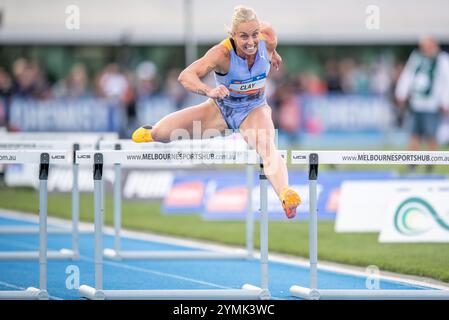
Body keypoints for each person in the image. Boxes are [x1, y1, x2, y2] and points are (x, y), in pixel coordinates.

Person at [132, 6, 301, 218]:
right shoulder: (221, 54)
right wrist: (209, 90)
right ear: (232, 35)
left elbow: (266, 45)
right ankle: (151, 133)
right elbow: (186, 76)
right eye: (243, 37)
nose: (250, 42)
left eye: (254, 35)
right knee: (161, 133)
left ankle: (285, 195)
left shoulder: (268, 37)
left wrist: (273, 53)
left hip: (254, 109)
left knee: (267, 147)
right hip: (220, 109)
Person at [395, 36, 449, 172]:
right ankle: (412, 165)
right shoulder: (416, 58)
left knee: (431, 137)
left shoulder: (442, 60)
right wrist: (401, 93)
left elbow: (447, 81)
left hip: (432, 106)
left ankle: (429, 166)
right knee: (414, 136)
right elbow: (408, 75)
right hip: (416, 104)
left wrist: (445, 101)